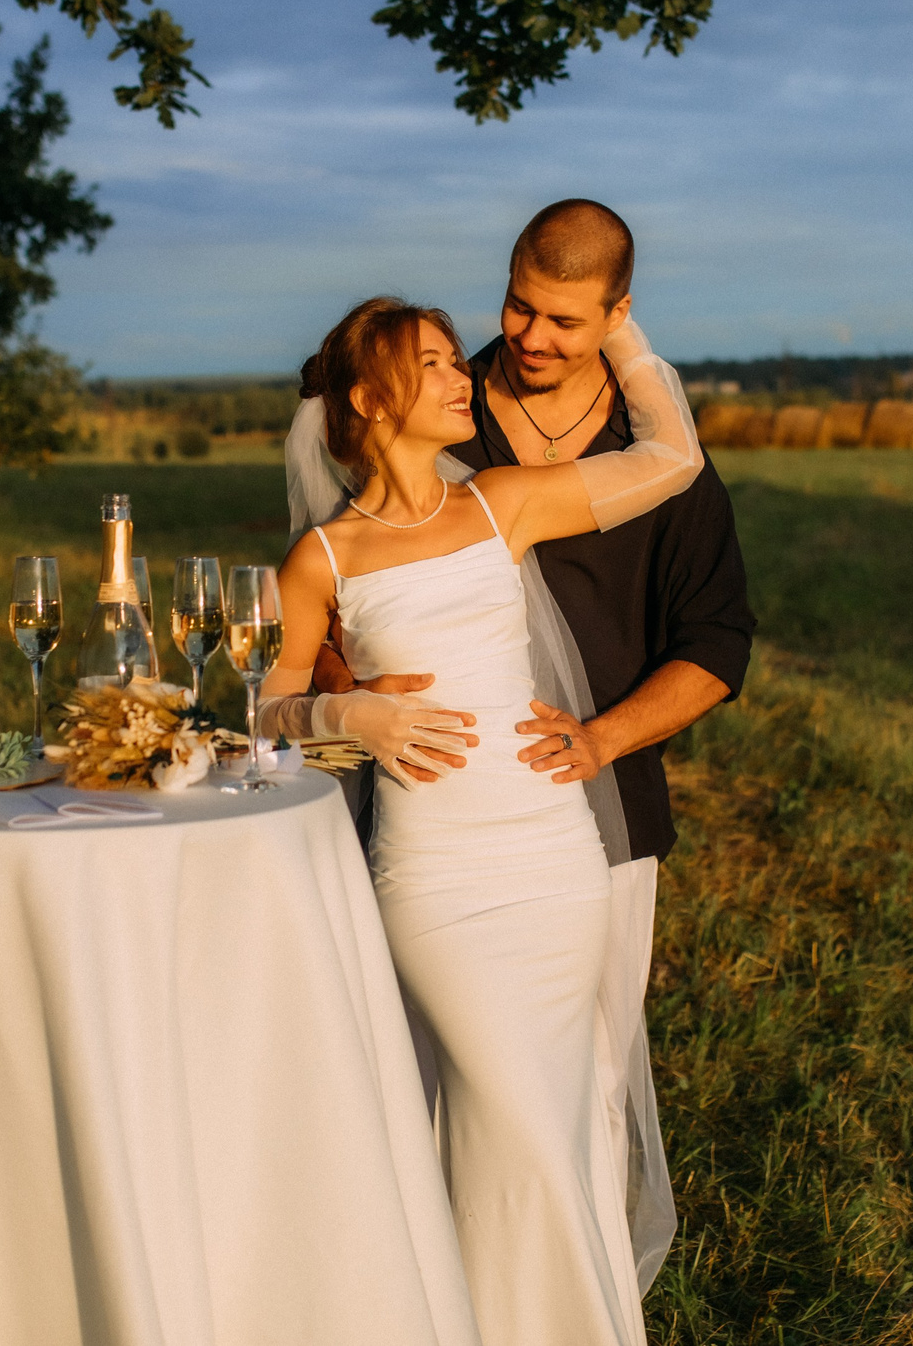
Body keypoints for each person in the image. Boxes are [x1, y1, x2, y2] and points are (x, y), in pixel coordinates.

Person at [285, 201, 757, 1298]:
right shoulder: (434, 421)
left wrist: (598, 741)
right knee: (464, 1097)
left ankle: (574, 1304)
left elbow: (716, 631)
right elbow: (309, 659)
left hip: (575, 827)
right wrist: (346, 706)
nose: (526, 341)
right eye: (517, 309)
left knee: (576, 1101)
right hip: (429, 853)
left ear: (615, 315)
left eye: (565, 320)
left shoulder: (541, 483)